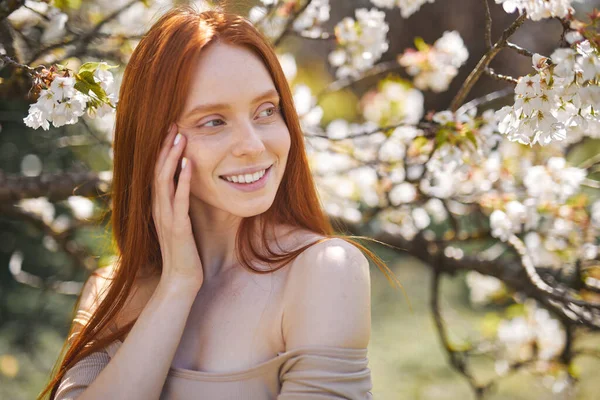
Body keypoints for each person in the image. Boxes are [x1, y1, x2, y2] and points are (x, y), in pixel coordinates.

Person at [39, 4, 396, 400]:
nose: (253, 146)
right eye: (214, 121)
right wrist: (177, 286)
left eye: (266, 111)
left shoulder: (323, 272)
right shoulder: (111, 291)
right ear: (155, 143)